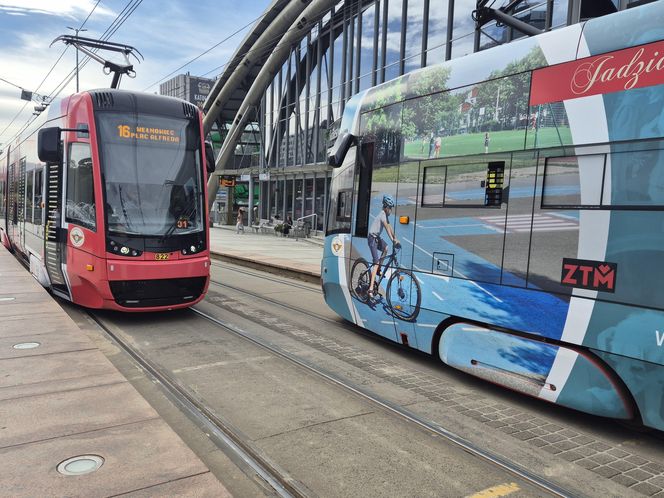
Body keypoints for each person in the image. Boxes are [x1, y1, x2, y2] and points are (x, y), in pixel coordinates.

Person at [367, 194, 399, 300]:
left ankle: (379, 269)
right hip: (372, 239)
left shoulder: (386, 216)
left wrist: (396, 238)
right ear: (385, 207)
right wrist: (392, 239)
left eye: (391, 208)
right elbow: (386, 228)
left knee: (386, 248)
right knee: (375, 263)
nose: (391, 210)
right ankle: (370, 289)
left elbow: (390, 228)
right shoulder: (382, 214)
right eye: (390, 208)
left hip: (377, 238)